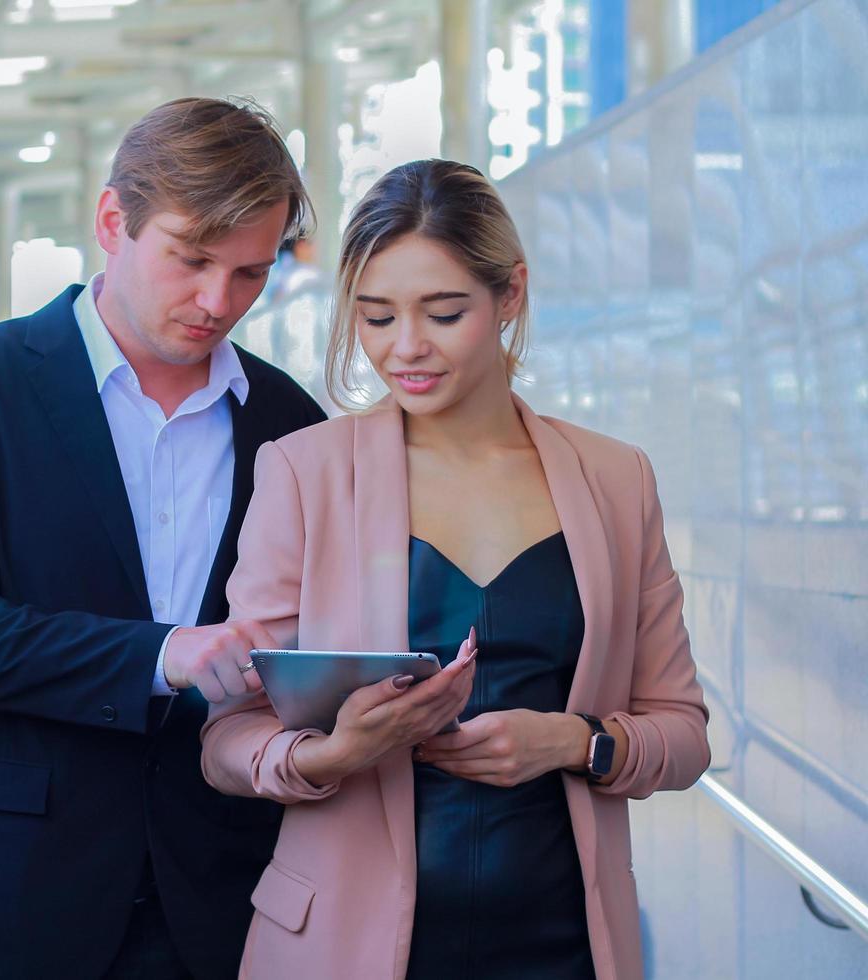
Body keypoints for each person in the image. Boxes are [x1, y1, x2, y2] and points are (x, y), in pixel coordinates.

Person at [201, 159, 711, 980]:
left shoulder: (616, 480)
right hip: (345, 947)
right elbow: (227, 735)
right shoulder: (304, 473)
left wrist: (574, 743)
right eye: (374, 318)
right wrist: (329, 756)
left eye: (443, 313)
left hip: (564, 942)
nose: (405, 349)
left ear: (510, 295)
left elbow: (683, 733)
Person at [0, 97, 326, 979]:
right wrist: (163, 656)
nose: (217, 301)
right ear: (112, 221)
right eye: (192, 258)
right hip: (11, 905)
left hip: (222, 907)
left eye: (250, 272)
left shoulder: (289, 423)